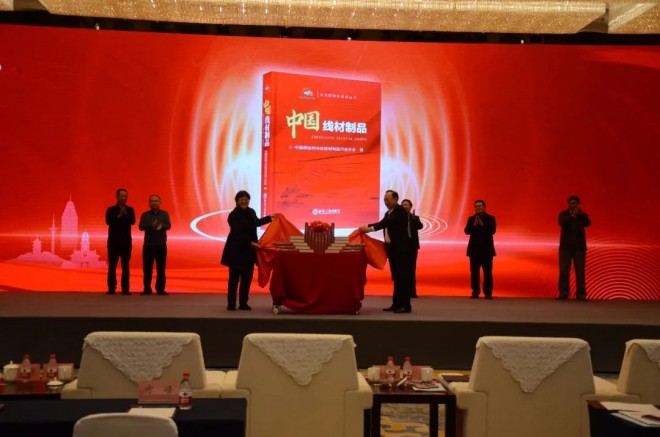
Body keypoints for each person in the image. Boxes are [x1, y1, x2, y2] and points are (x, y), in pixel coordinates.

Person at [359, 190, 415, 313]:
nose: (385, 202)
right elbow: (382, 223)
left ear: (395, 199)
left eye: (387, 200)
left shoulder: (400, 211)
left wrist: (369, 229)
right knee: (396, 278)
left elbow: (386, 223)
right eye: (384, 200)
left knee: (402, 278)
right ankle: (396, 304)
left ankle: (405, 305)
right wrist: (366, 226)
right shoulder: (388, 212)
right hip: (393, 250)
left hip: (401, 250)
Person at [221, 190, 276, 310]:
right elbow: (237, 233)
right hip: (236, 251)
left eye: (246, 199)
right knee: (234, 279)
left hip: (249, 252)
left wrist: (270, 218)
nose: (244, 201)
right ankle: (231, 304)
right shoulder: (233, 215)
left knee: (246, 279)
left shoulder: (251, 211)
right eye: (241, 199)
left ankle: (243, 303)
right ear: (237, 201)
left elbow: (257, 222)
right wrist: (250, 243)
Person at [557, 195, 591, 301]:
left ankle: (581, 294)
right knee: (564, 271)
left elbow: (588, 223)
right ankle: (563, 293)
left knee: (580, 271)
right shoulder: (564, 214)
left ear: (578, 204)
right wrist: (572, 216)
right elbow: (562, 223)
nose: (573, 205)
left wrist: (580, 215)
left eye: (575, 203)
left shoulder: (582, 215)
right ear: (568, 204)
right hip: (565, 248)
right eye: (571, 203)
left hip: (579, 248)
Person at [138, 194, 171, 296]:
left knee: (161, 269)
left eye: (156, 201)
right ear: (149, 203)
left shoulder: (165, 214)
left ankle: (160, 289)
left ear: (160, 203)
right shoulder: (145, 215)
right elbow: (141, 227)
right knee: (147, 269)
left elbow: (168, 225)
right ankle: (147, 288)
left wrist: (161, 226)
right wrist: (150, 226)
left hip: (161, 245)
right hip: (148, 245)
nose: (154, 203)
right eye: (152, 201)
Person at [105, 188, 136, 295]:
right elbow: (108, 221)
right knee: (112, 266)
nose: (124, 198)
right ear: (117, 197)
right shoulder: (111, 210)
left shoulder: (130, 210)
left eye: (125, 196)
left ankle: (125, 288)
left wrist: (125, 214)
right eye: (122, 196)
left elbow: (133, 221)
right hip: (113, 243)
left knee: (125, 266)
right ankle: (111, 288)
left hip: (126, 243)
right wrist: (119, 215)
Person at [464, 199, 496, 299]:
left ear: (484, 207)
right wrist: (474, 225)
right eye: (476, 206)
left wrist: (482, 225)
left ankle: (488, 293)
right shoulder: (471, 219)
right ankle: (475, 292)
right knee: (474, 272)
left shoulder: (491, 218)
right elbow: (467, 231)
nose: (478, 208)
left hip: (487, 250)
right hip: (474, 250)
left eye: (479, 206)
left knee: (487, 272)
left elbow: (492, 231)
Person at [401, 199, 423, 298]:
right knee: (402, 270)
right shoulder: (398, 218)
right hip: (401, 247)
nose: (405, 206)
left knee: (411, 269)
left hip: (412, 247)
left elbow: (420, 226)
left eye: (407, 205)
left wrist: (414, 219)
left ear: (410, 207)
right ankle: (403, 291)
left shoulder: (415, 217)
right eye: (403, 205)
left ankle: (412, 292)